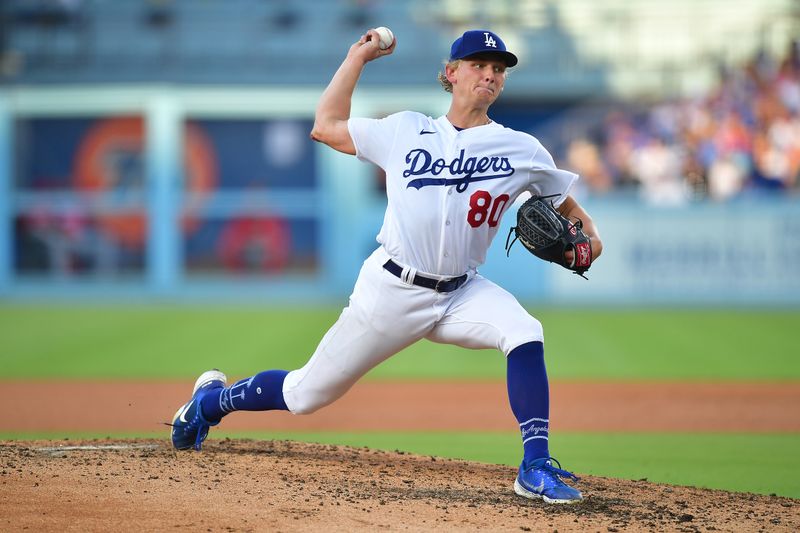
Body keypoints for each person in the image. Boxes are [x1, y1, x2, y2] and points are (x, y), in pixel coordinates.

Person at [169, 28, 603, 505]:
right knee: (305, 394)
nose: (490, 74)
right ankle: (210, 402)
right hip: (392, 291)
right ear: (451, 73)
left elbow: (575, 218)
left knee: (524, 331)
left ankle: (535, 466)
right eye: (479, 65)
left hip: (462, 291)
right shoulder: (405, 129)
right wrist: (357, 56)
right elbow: (325, 125)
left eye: (498, 69)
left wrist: (586, 247)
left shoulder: (522, 149)